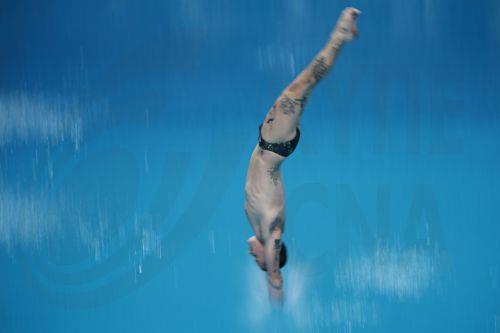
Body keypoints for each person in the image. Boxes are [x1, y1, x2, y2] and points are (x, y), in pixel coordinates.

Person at [244, 7, 361, 302]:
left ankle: (342, 36)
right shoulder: (271, 231)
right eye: (258, 260)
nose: (253, 257)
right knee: (309, 79)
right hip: (275, 141)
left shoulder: (262, 228)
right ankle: (341, 34)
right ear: (271, 255)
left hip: (274, 143)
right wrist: (274, 280)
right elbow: (274, 258)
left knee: (308, 82)